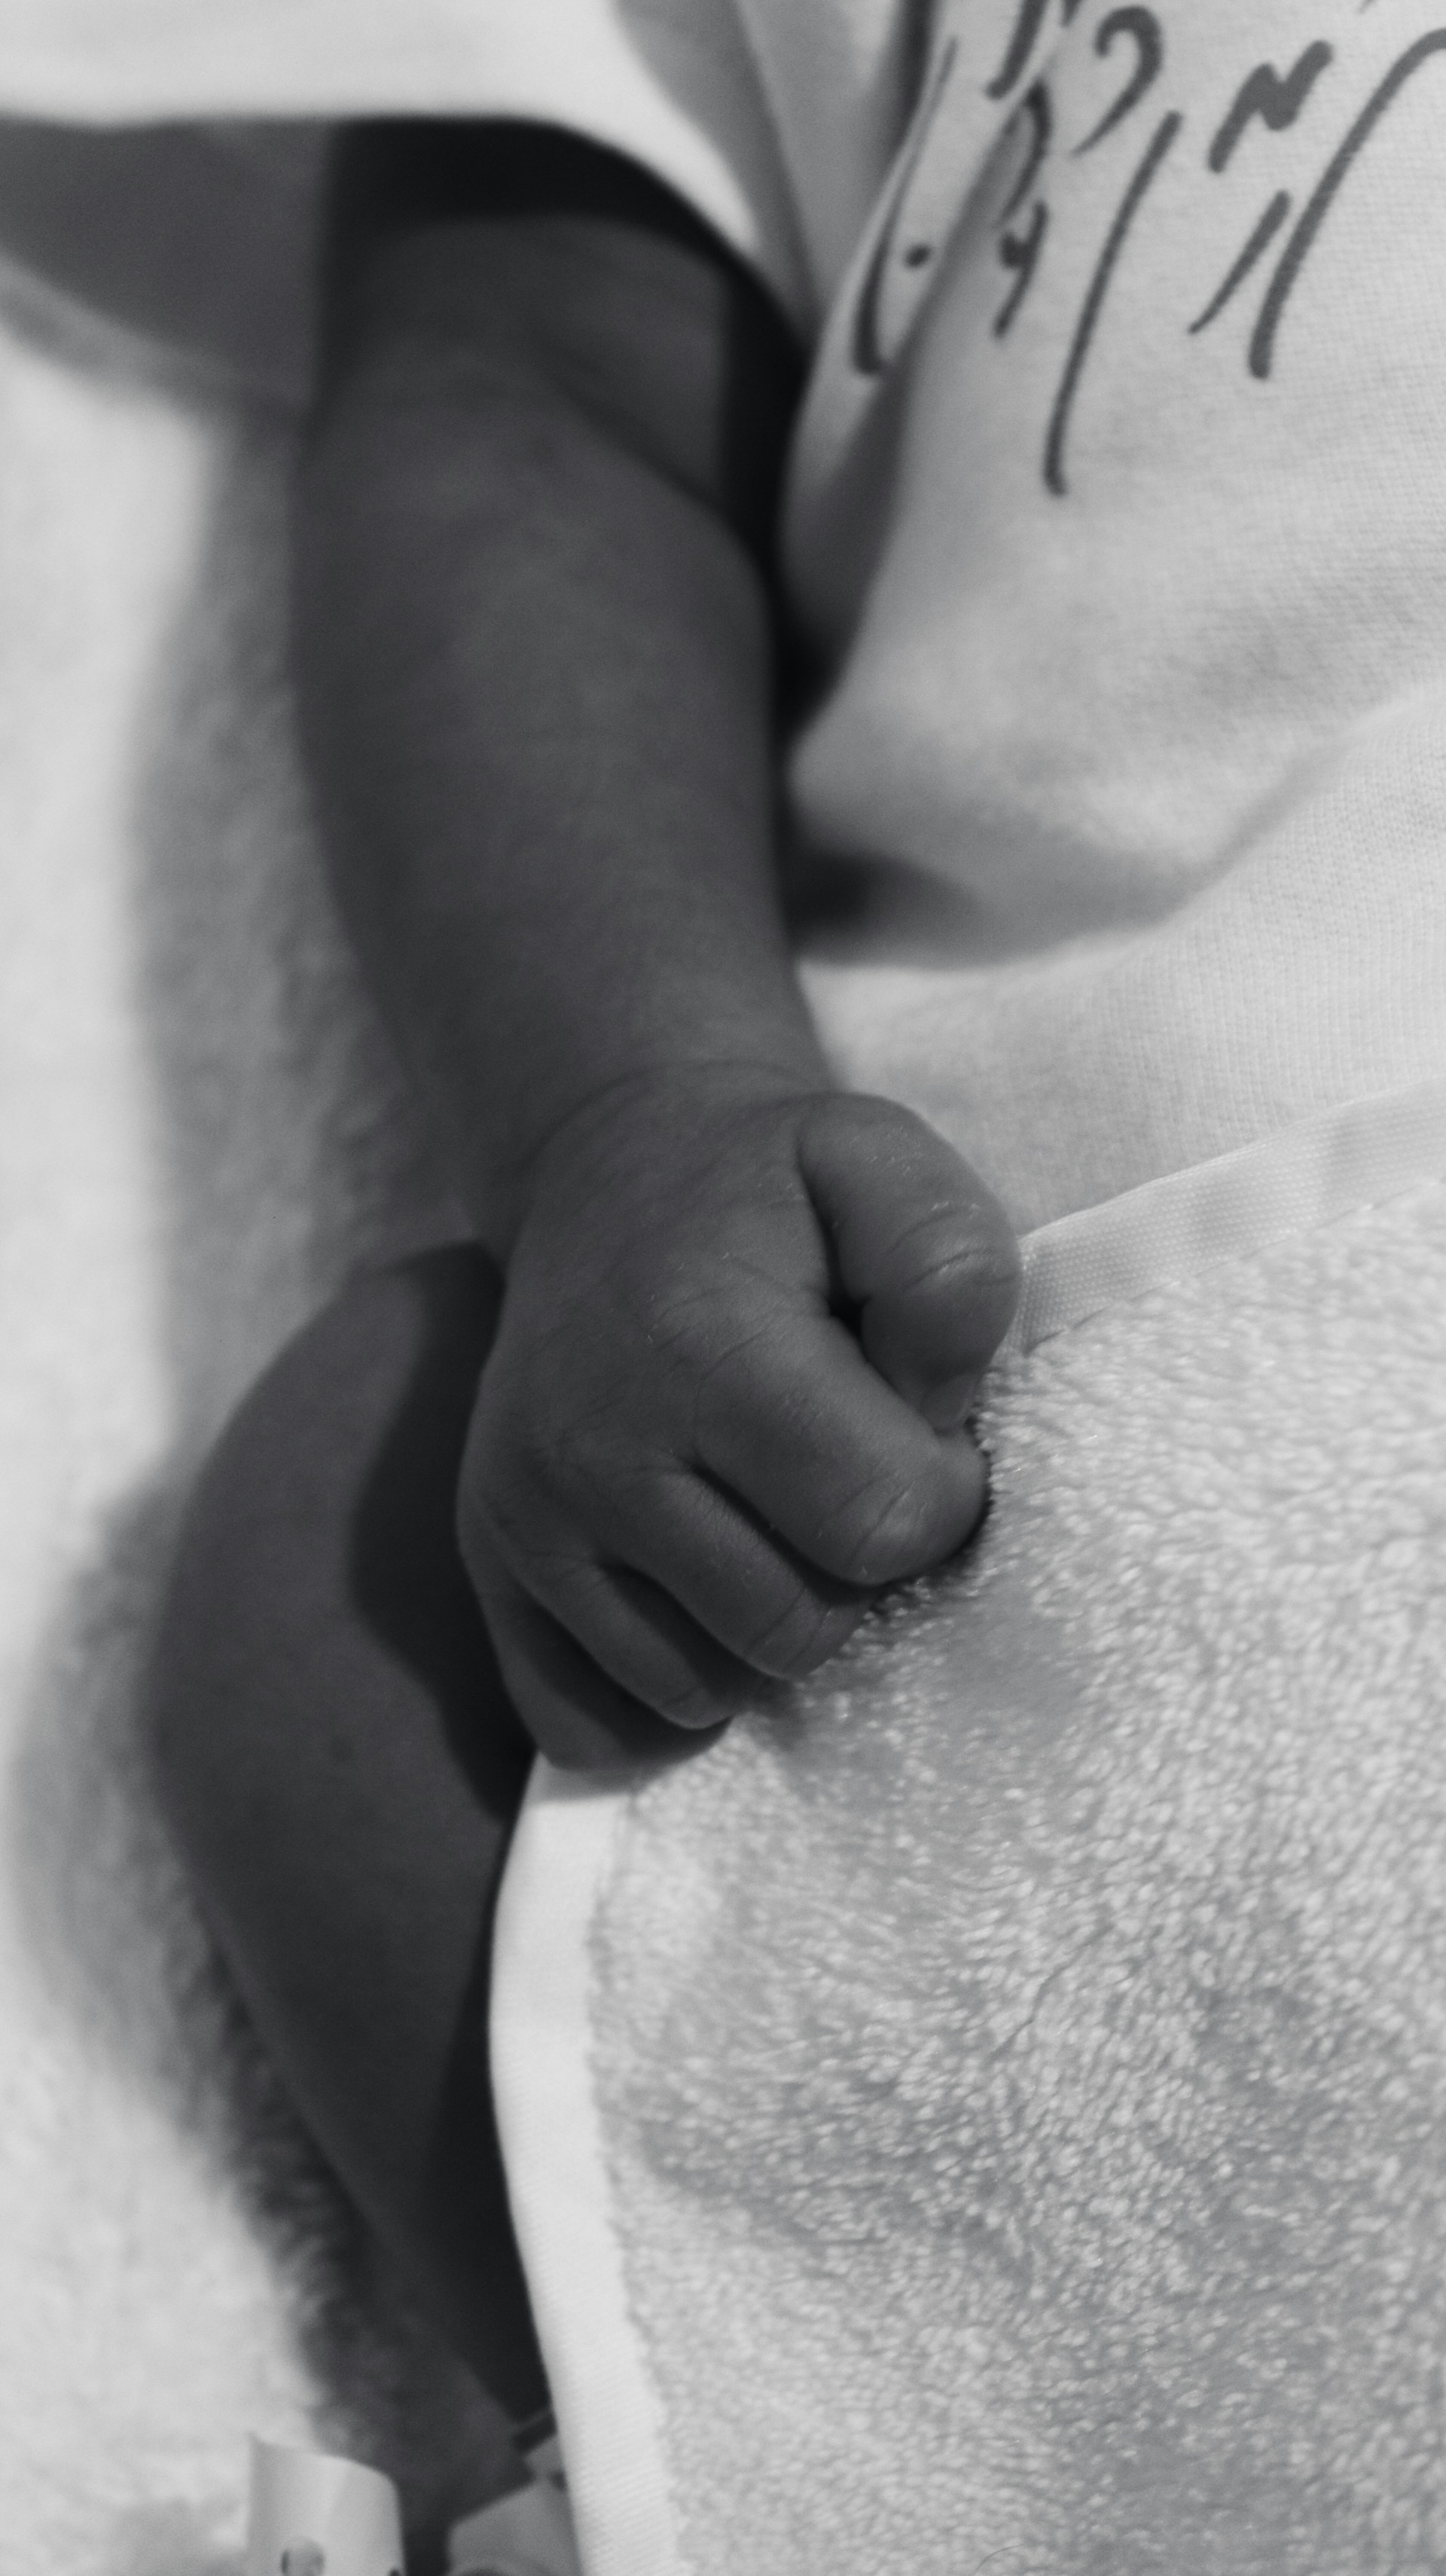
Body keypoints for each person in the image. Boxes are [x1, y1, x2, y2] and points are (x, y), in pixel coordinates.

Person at [150, 1, 1446, 2554]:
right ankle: (790, 2464)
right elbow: (535, 403)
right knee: (360, 1537)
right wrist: (628, 1110)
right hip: (1019, 1461)